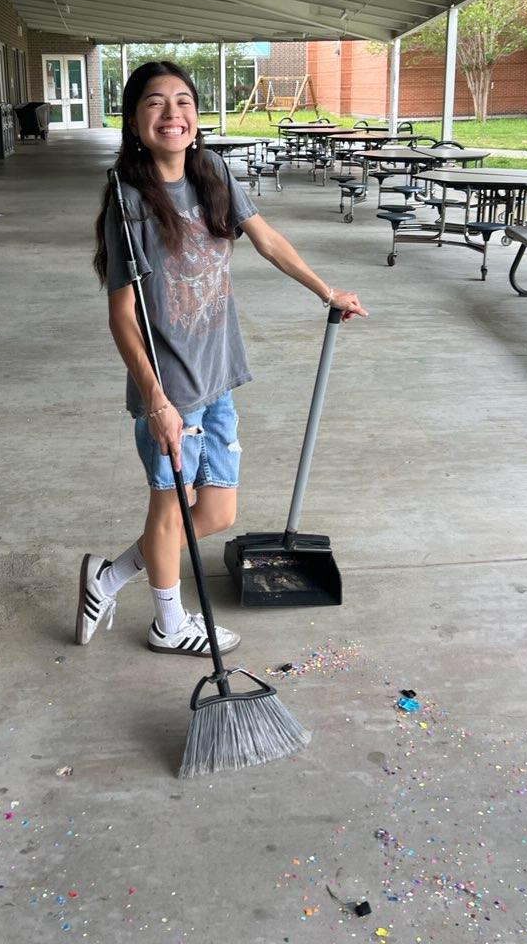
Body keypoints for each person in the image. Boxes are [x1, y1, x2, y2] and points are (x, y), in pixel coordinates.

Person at [78, 60, 367, 656]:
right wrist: (155, 401)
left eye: (183, 101)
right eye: (155, 103)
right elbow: (122, 316)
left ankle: (107, 578)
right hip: (171, 388)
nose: (172, 114)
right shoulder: (129, 203)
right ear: (134, 121)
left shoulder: (212, 172)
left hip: (218, 375)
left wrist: (326, 290)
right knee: (171, 512)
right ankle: (167, 623)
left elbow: (267, 239)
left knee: (215, 512)